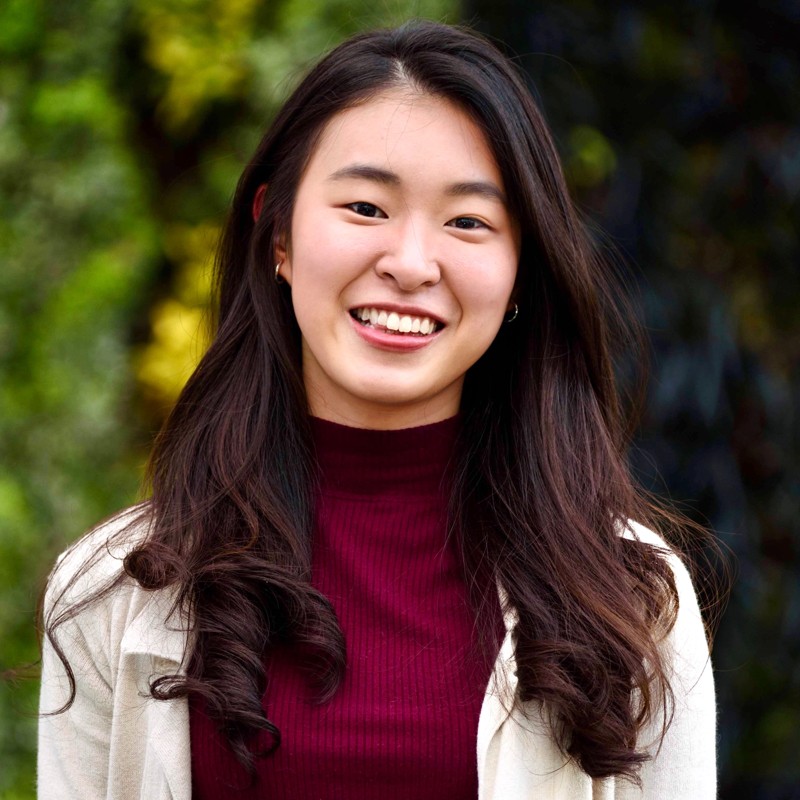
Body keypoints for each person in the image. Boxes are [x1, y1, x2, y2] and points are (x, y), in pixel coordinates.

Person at [37, 20, 717, 800]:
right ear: (277, 234)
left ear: (521, 270)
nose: (409, 264)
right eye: (365, 207)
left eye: (468, 222)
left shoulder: (628, 595)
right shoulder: (114, 590)